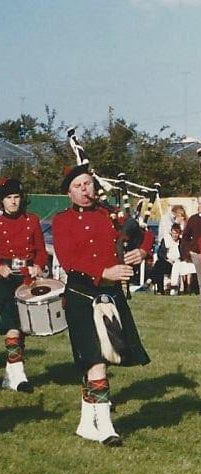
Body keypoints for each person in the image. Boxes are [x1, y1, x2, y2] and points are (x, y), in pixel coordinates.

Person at [52, 165, 152, 446]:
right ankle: (106, 427)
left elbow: (142, 233)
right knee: (95, 359)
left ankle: (86, 423)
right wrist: (104, 272)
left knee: (99, 359)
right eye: (78, 186)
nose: (85, 190)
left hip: (110, 296)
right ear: (69, 193)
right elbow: (68, 258)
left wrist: (141, 250)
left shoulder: (110, 215)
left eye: (88, 184)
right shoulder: (62, 221)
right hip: (81, 294)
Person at [0, 178, 47, 393]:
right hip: (4, 280)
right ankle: (19, 377)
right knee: (12, 327)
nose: (13, 202)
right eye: (9, 198)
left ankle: (10, 376)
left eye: (16, 197)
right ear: (2, 201)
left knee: (22, 328)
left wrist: (38, 265)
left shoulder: (32, 220)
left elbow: (40, 251)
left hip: (26, 279)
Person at [149, 223, 181, 294]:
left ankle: (151, 279)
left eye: (177, 233)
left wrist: (175, 261)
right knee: (159, 264)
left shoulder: (180, 243)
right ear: (171, 232)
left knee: (158, 265)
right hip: (166, 261)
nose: (175, 235)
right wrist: (167, 259)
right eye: (174, 233)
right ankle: (160, 289)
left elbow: (182, 254)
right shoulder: (166, 240)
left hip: (176, 264)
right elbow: (160, 253)